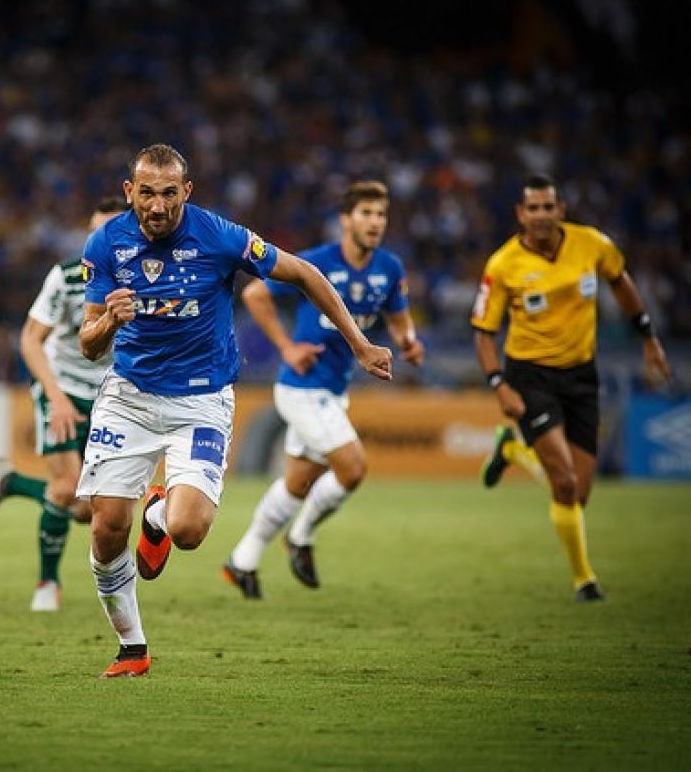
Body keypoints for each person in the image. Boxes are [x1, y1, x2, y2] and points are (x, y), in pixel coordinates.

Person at [76, 143, 393, 678]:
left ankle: (158, 514)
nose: (157, 206)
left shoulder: (220, 236)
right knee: (106, 527)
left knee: (189, 530)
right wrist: (109, 321)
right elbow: (88, 342)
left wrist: (359, 343)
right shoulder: (106, 243)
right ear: (130, 192)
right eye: (146, 194)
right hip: (128, 398)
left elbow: (306, 275)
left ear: (187, 192)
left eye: (169, 194)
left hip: (201, 400)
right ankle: (133, 648)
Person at [472, 174, 669, 602]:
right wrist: (498, 384)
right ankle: (585, 580)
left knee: (578, 494)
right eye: (533, 208)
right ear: (520, 214)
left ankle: (513, 449)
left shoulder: (592, 245)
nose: (542, 215)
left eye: (549, 207)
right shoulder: (503, 265)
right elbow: (483, 333)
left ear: (561, 210)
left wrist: (648, 337)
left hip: (581, 375)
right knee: (562, 484)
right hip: (530, 375)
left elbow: (620, 280)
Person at [224, 181, 424, 599]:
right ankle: (301, 537)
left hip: (333, 391)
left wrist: (408, 340)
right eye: (366, 213)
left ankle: (241, 561)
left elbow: (399, 317)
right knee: (352, 468)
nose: (375, 222)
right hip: (301, 388)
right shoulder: (315, 263)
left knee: (297, 482)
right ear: (345, 220)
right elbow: (257, 292)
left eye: (381, 215)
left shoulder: (389, 268)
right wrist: (286, 347)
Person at [0, 196, 129, 612]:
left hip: (111, 397)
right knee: (64, 489)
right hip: (63, 388)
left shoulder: (148, 276)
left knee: (86, 509)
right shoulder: (66, 277)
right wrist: (56, 397)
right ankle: (47, 584)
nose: (104, 240)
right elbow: (29, 339)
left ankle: (10, 483)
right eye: (97, 231)